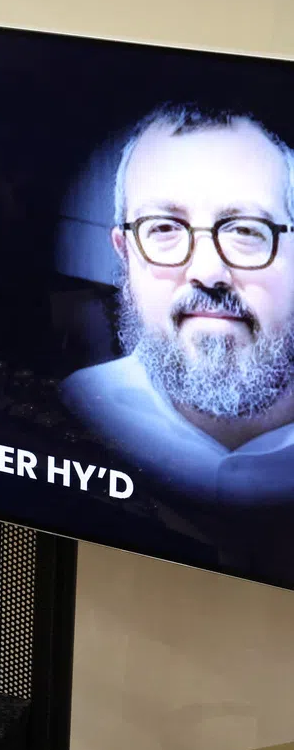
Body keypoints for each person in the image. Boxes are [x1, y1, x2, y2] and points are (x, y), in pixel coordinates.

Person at [62, 103, 294, 504]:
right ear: (125, 254)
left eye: (245, 229)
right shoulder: (72, 410)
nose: (207, 271)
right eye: (164, 228)